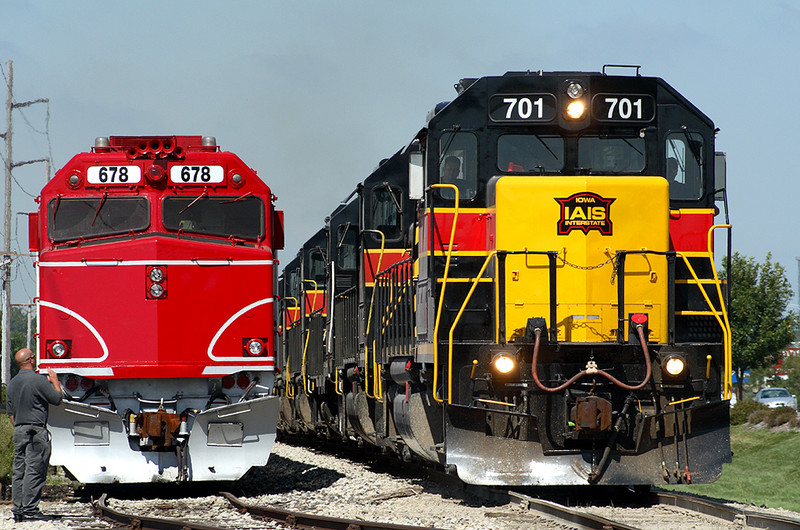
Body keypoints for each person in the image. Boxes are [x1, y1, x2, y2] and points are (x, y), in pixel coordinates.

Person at [6, 348, 62, 523]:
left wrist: (19, 428)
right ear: (31, 360)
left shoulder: (12, 384)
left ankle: (19, 509)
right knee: (34, 469)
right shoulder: (39, 380)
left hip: (19, 429)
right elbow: (57, 399)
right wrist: (55, 381)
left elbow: (11, 414)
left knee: (19, 470)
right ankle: (30, 509)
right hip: (36, 430)